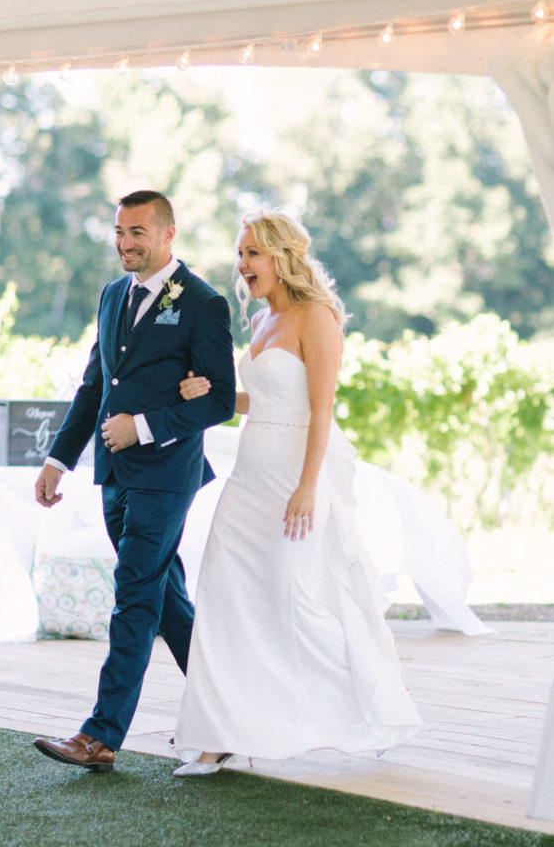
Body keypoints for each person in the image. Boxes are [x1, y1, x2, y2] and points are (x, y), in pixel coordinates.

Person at [172, 209, 423, 776]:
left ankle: (367, 708)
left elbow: (320, 411)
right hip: (248, 481)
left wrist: (309, 486)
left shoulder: (317, 318)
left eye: (253, 253)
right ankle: (217, 734)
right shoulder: (260, 322)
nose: (242, 265)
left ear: (283, 257)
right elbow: (260, 401)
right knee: (222, 595)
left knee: (296, 600)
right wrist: (209, 393)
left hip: (295, 480)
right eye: (240, 254)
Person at [32, 190, 236, 772]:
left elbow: (219, 399)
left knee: (135, 595)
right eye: (120, 231)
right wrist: (59, 459)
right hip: (113, 476)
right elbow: (94, 386)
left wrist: (143, 426)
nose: (125, 242)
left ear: (169, 234)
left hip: (167, 475)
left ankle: (100, 736)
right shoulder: (111, 295)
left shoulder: (202, 302)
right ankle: (231, 712)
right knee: (165, 598)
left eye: (138, 232)